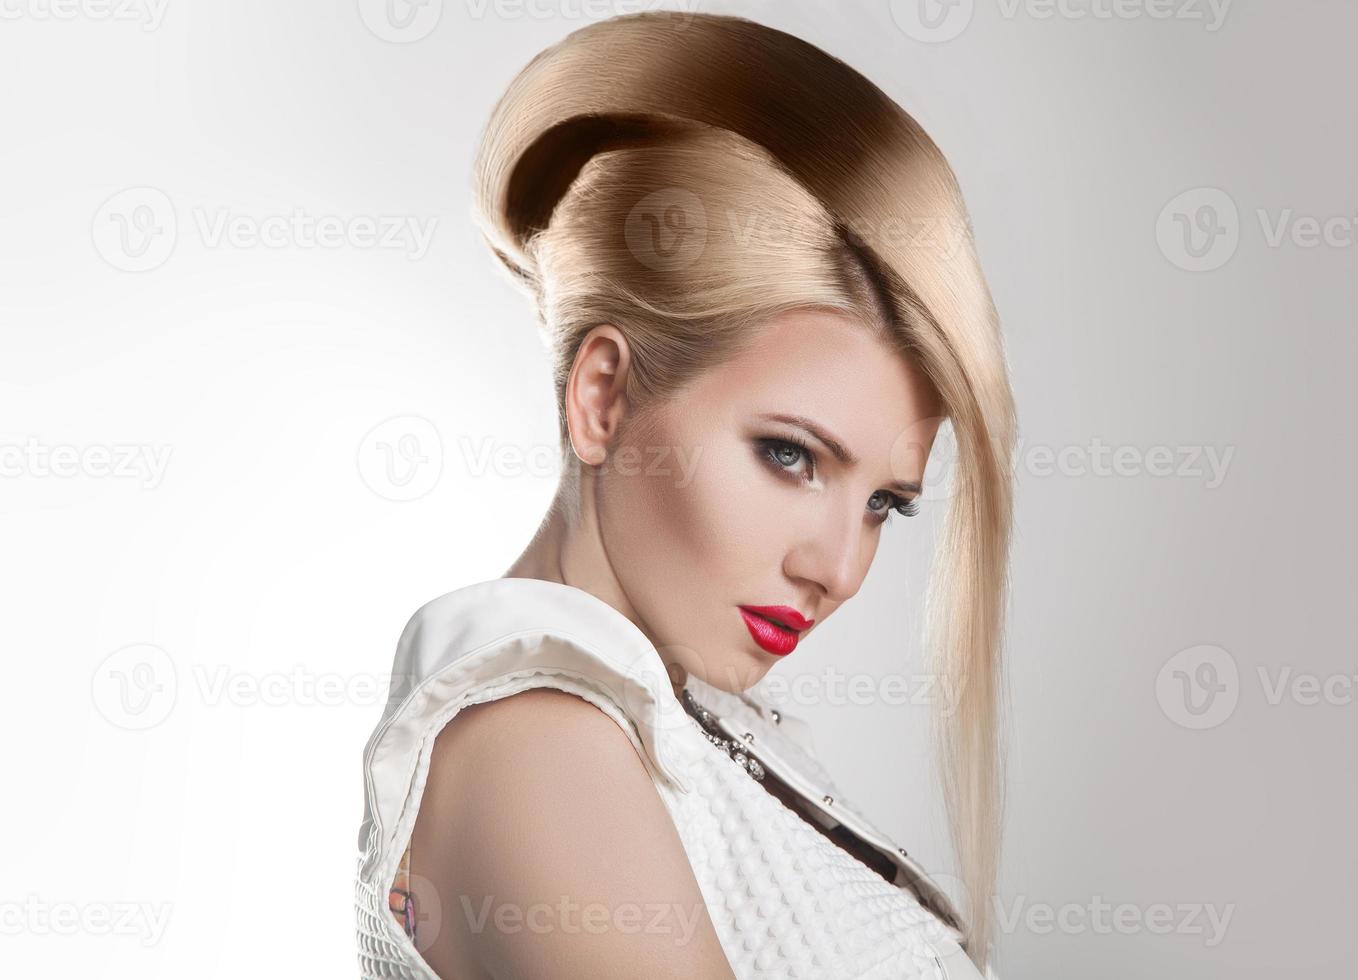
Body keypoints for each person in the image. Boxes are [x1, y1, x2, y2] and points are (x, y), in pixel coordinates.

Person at [355, 11, 1016, 978]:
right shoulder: (534, 740)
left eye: (886, 503)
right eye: (791, 457)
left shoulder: (680, 729)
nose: (837, 568)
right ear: (604, 396)